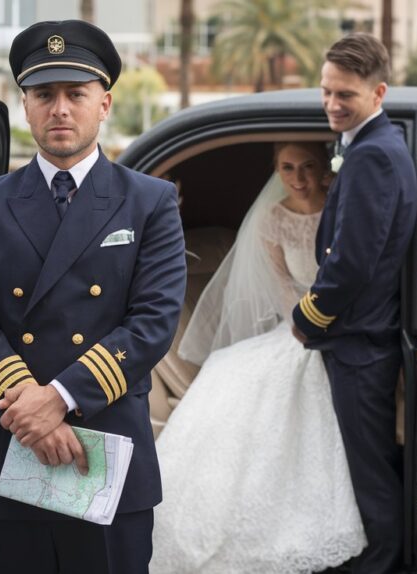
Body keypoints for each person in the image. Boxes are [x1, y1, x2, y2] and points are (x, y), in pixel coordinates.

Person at [0, 20, 186, 574]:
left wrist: (59, 399)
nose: (60, 109)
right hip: (10, 448)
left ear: (103, 104)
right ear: (24, 106)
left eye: (75, 94)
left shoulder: (148, 202)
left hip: (103, 453)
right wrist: (31, 411)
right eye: (44, 95)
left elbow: (152, 322)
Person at [150, 142, 366, 573]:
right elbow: (285, 286)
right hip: (300, 326)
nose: (298, 177)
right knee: (231, 374)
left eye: (307, 166)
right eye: (288, 168)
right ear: (277, 172)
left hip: (350, 326)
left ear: (324, 169)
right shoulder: (272, 220)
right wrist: (305, 327)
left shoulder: (344, 210)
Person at [291, 34, 417, 574]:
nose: (333, 104)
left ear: (378, 92)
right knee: (361, 468)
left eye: (345, 94)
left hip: (359, 344)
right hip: (362, 338)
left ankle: (383, 564)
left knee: (368, 473)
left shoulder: (373, 158)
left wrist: (307, 316)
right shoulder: (373, 148)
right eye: (326, 91)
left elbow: (351, 264)